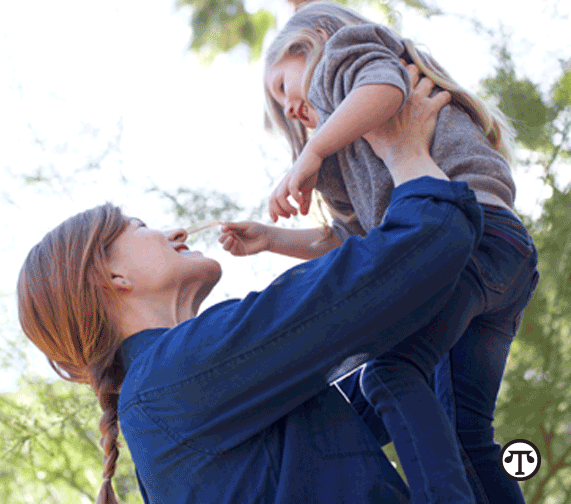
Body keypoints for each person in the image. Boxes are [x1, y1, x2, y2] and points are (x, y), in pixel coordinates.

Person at [17, 77, 483, 504]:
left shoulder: (173, 397)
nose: (175, 231)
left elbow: (340, 434)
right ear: (112, 279)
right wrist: (404, 153)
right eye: (139, 226)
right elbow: (425, 245)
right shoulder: (175, 374)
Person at [222, 2, 539, 503]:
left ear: (314, 40)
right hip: (506, 257)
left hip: (471, 238)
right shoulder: (346, 153)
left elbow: (386, 89)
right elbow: (352, 242)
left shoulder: (344, 57)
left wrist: (313, 150)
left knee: (391, 371)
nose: (287, 107)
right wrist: (273, 237)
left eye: (282, 86)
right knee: (466, 432)